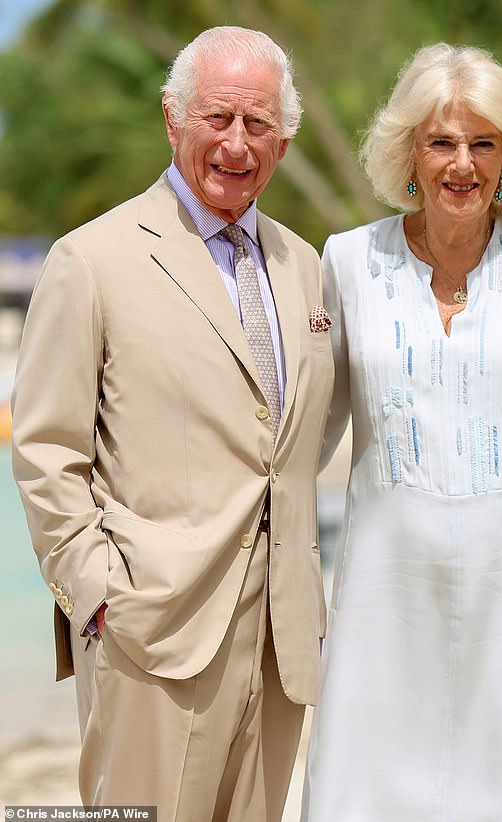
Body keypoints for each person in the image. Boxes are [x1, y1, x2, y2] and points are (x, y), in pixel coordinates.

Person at [11, 25, 334, 822]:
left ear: (284, 141)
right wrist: (96, 596)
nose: (235, 142)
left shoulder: (307, 267)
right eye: (216, 118)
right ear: (172, 119)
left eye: (257, 124)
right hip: (150, 633)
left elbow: (297, 442)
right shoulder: (90, 260)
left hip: (279, 640)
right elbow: (46, 449)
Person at [302, 43, 502, 821]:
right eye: (442, 141)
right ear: (409, 151)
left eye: (484, 143)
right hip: (386, 593)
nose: (463, 164)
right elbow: (305, 440)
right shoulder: (347, 261)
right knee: (370, 791)